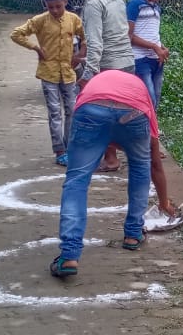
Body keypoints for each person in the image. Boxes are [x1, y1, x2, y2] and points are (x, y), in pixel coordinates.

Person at [49, 70, 176, 279]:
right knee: (140, 167)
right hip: (134, 111)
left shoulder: (96, 85)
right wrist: (164, 202)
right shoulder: (143, 97)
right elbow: (154, 163)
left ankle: (69, 255)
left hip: (91, 108)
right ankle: (133, 234)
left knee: (77, 180)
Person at [62, 0, 135, 171]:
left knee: (103, 113)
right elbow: (118, 33)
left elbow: (95, 43)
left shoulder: (92, 3)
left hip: (109, 66)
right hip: (127, 63)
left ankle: (111, 159)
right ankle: (139, 152)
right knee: (124, 112)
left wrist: (88, 75)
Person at [9, 0, 87, 166]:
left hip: (68, 72)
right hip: (48, 72)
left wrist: (80, 54)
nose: (55, 11)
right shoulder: (40, 20)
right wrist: (35, 47)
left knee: (72, 110)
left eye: (58, 6)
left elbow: (85, 37)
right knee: (54, 112)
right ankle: (59, 150)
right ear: (45, 5)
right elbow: (16, 34)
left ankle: (70, 146)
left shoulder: (74, 19)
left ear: (65, 2)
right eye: (50, 7)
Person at [127, 0, 170, 108]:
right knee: (148, 100)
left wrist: (161, 47)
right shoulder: (135, 4)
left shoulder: (157, 8)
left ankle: (152, 123)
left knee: (155, 98)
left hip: (156, 60)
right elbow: (128, 36)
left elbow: (151, 33)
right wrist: (154, 47)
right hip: (140, 59)